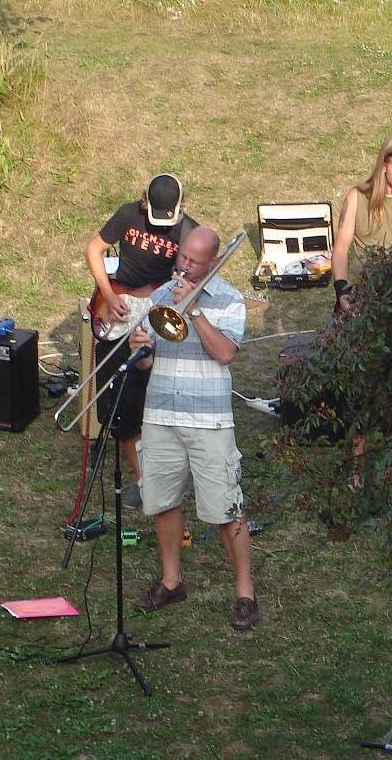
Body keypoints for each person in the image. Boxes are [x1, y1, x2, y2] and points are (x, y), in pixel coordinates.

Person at [127, 226, 259, 631]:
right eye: (182, 256)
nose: (184, 265)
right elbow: (149, 362)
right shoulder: (160, 296)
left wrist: (195, 310)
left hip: (209, 420)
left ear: (213, 262)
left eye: (194, 261)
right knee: (163, 500)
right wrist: (140, 351)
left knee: (225, 508)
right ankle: (172, 582)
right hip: (162, 414)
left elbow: (226, 353)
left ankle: (245, 593)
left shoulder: (230, 299)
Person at [85, 173, 197, 508]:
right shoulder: (127, 214)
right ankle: (144, 480)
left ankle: (174, 472)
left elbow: (198, 278)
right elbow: (94, 249)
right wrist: (108, 294)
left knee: (160, 402)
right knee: (119, 407)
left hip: (156, 323)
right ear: (144, 201)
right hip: (118, 312)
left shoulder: (188, 232)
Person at [331, 133, 392, 313]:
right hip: (368, 293)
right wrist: (341, 291)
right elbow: (341, 249)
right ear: (384, 167)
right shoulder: (358, 197)